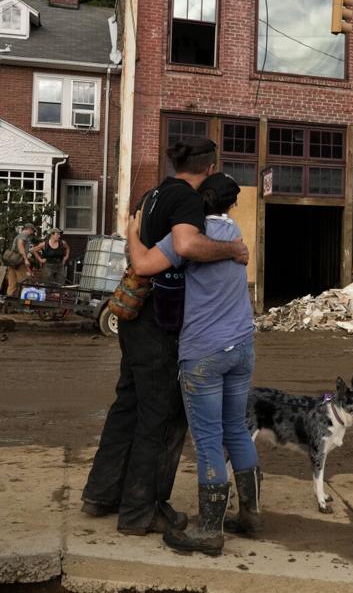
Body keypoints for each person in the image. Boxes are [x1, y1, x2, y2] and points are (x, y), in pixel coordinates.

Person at [80, 138, 249, 536]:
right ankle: (142, 511)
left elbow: (136, 244)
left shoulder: (152, 195)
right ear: (209, 170)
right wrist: (231, 250)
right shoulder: (188, 201)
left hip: (135, 321)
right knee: (163, 418)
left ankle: (101, 493)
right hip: (162, 324)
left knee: (128, 407)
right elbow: (187, 244)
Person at [127, 173, 259, 556]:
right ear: (231, 204)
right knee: (235, 427)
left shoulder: (186, 239)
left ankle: (209, 530)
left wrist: (133, 230)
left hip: (204, 352)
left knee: (207, 441)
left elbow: (143, 266)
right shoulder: (236, 235)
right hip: (242, 347)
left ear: (199, 201)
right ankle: (251, 513)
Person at [5, 223, 35, 297]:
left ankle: (9, 300)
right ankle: (23, 301)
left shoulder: (18, 236)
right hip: (19, 263)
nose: (32, 233)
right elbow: (20, 246)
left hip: (12, 263)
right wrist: (25, 259)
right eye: (32, 231)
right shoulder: (23, 236)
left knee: (12, 283)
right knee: (24, 283)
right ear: (29, 229)